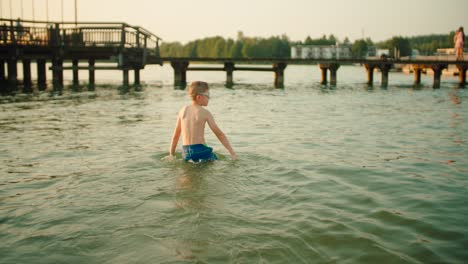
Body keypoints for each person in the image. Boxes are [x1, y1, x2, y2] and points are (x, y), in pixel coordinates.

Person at [169, 81, 237, 162]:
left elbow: (175, 136)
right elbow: (219, 134)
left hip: (186, 152)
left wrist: (171, 155)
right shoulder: (205, 113)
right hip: (200, 150)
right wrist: (232, 153)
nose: (209, 98)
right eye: (207, 95)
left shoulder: (182, 111)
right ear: (199, 97)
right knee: (214, 161)